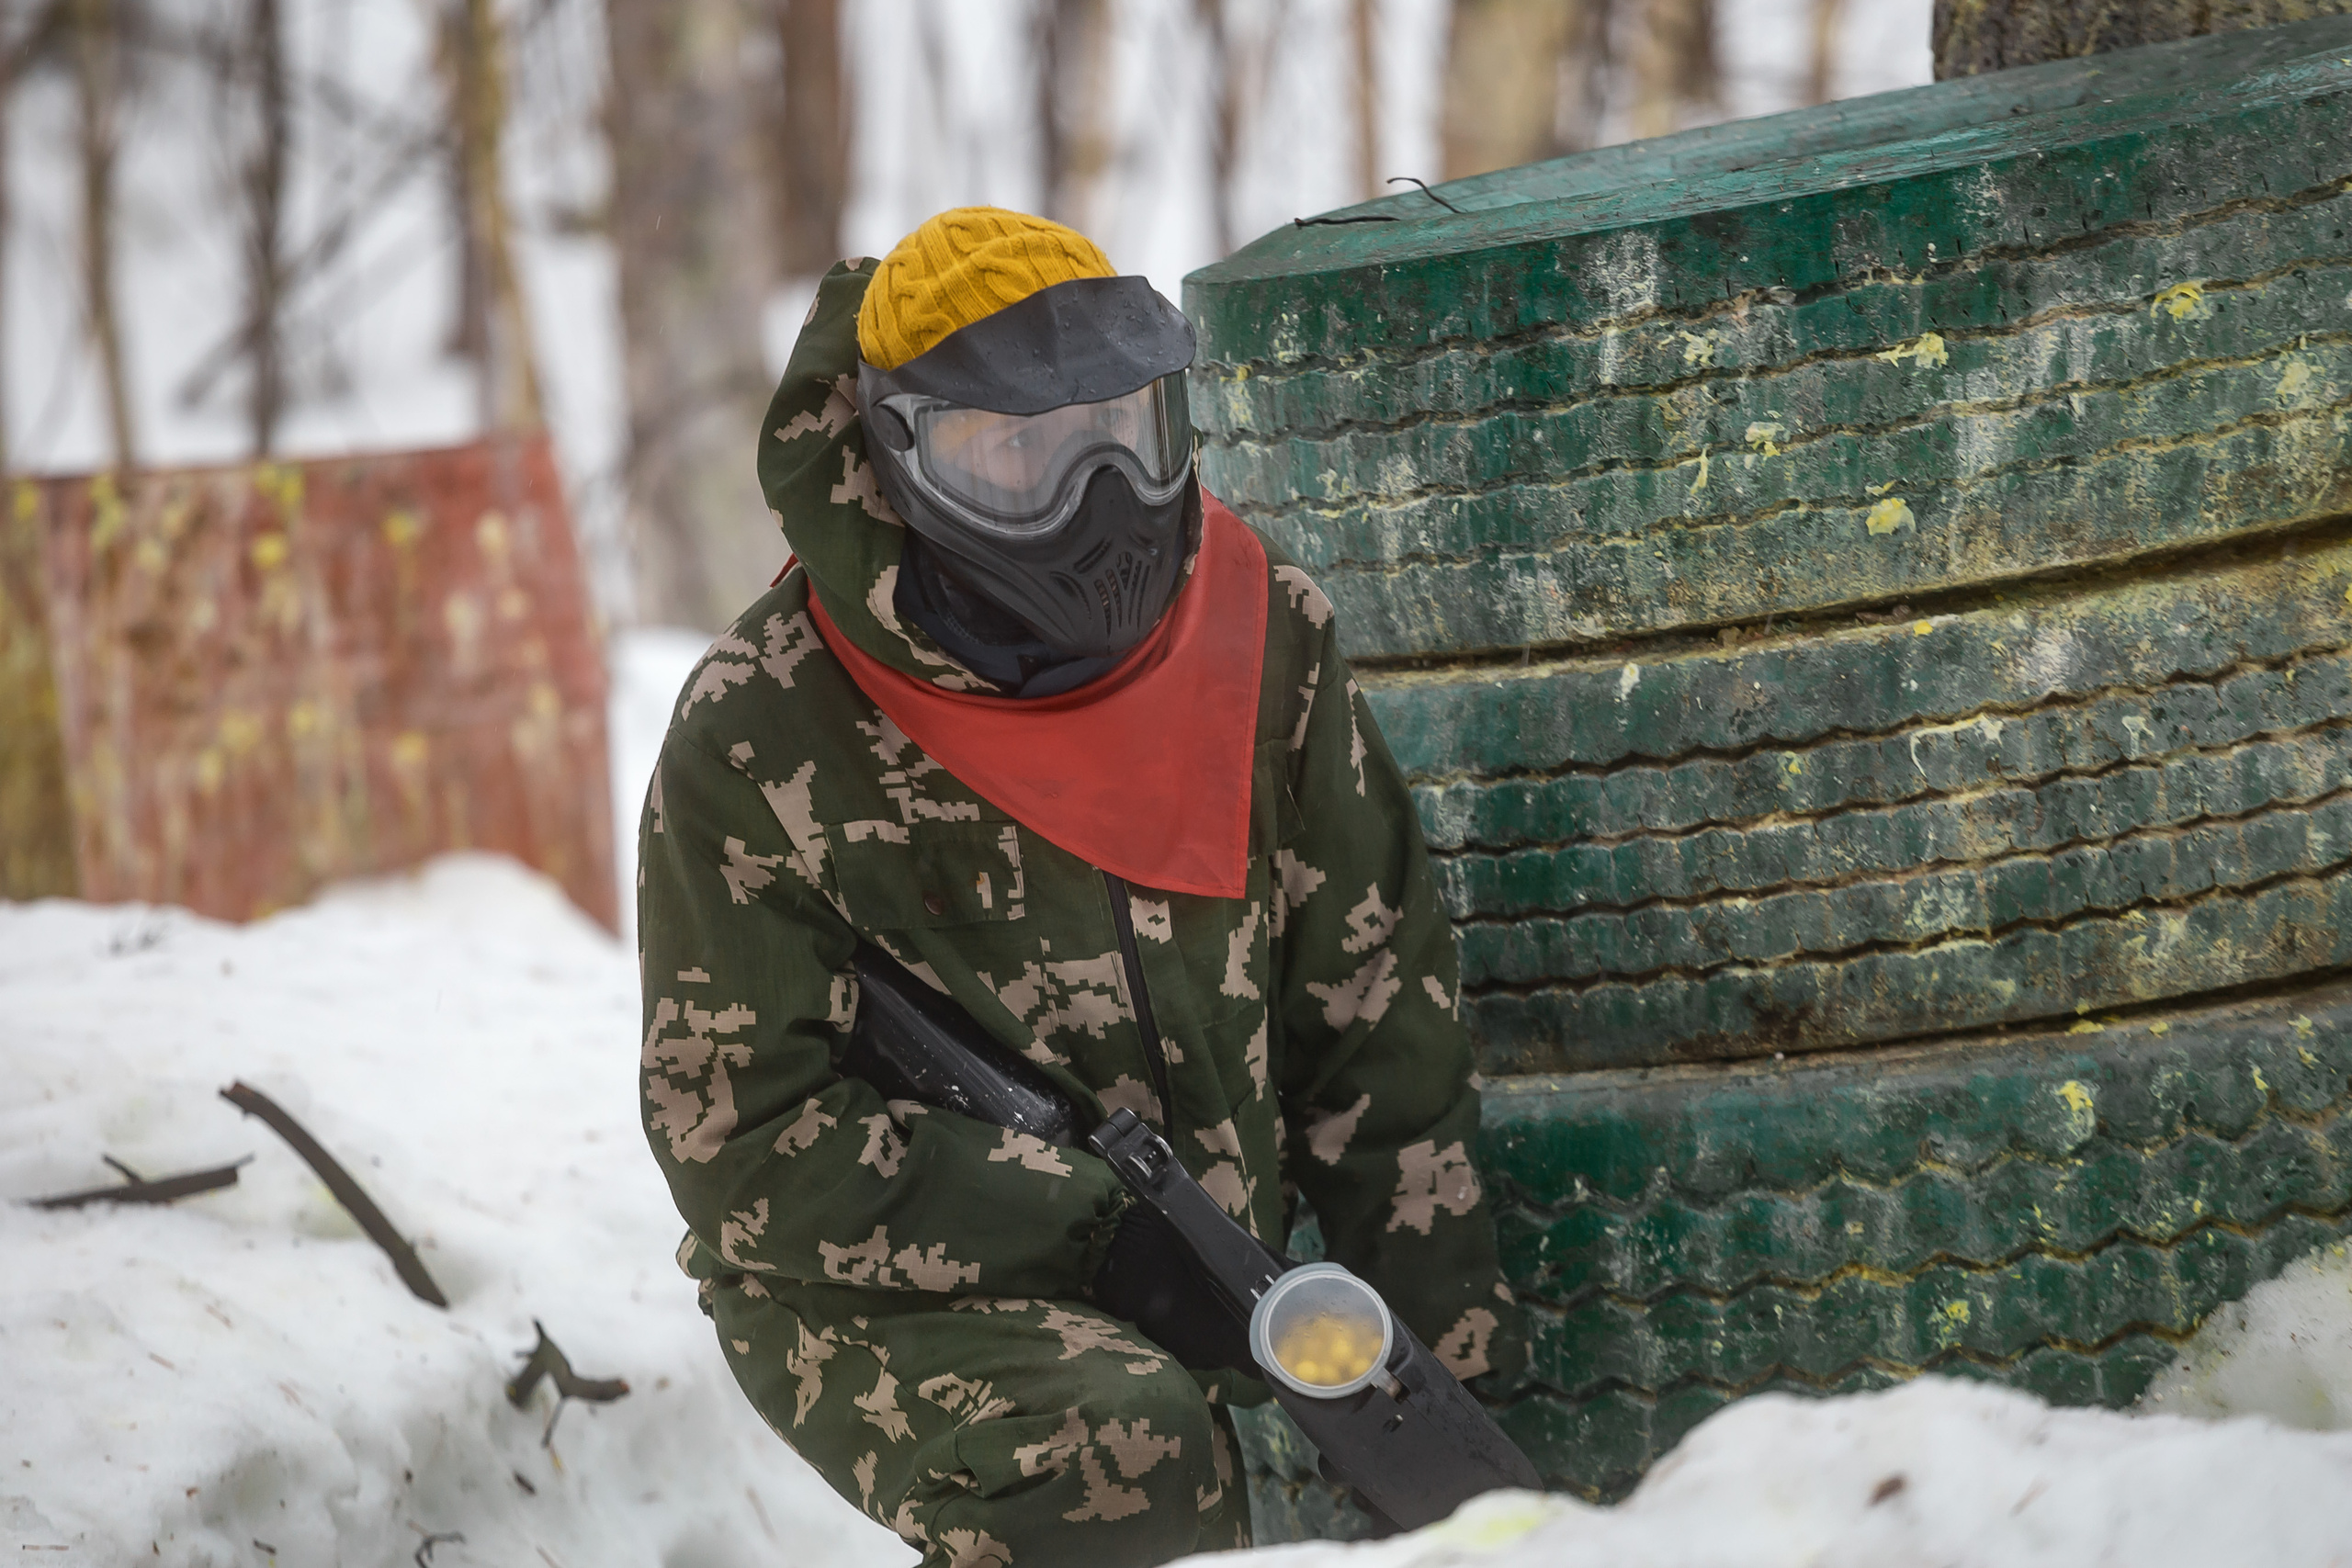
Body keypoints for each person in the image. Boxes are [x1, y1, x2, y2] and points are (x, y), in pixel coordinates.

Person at [638, 207, 1522, 1568]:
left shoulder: (1257, 631)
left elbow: (1378, 1021)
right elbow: (738, 1148)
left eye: (1124, 438)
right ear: (898, 460)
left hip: (1217, 1267)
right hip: (871, 1284)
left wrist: (1454, 1432)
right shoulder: (765, 729)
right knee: (1119, 1455)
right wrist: (1092, 1230)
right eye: (1020, 458)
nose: (1098, 505)